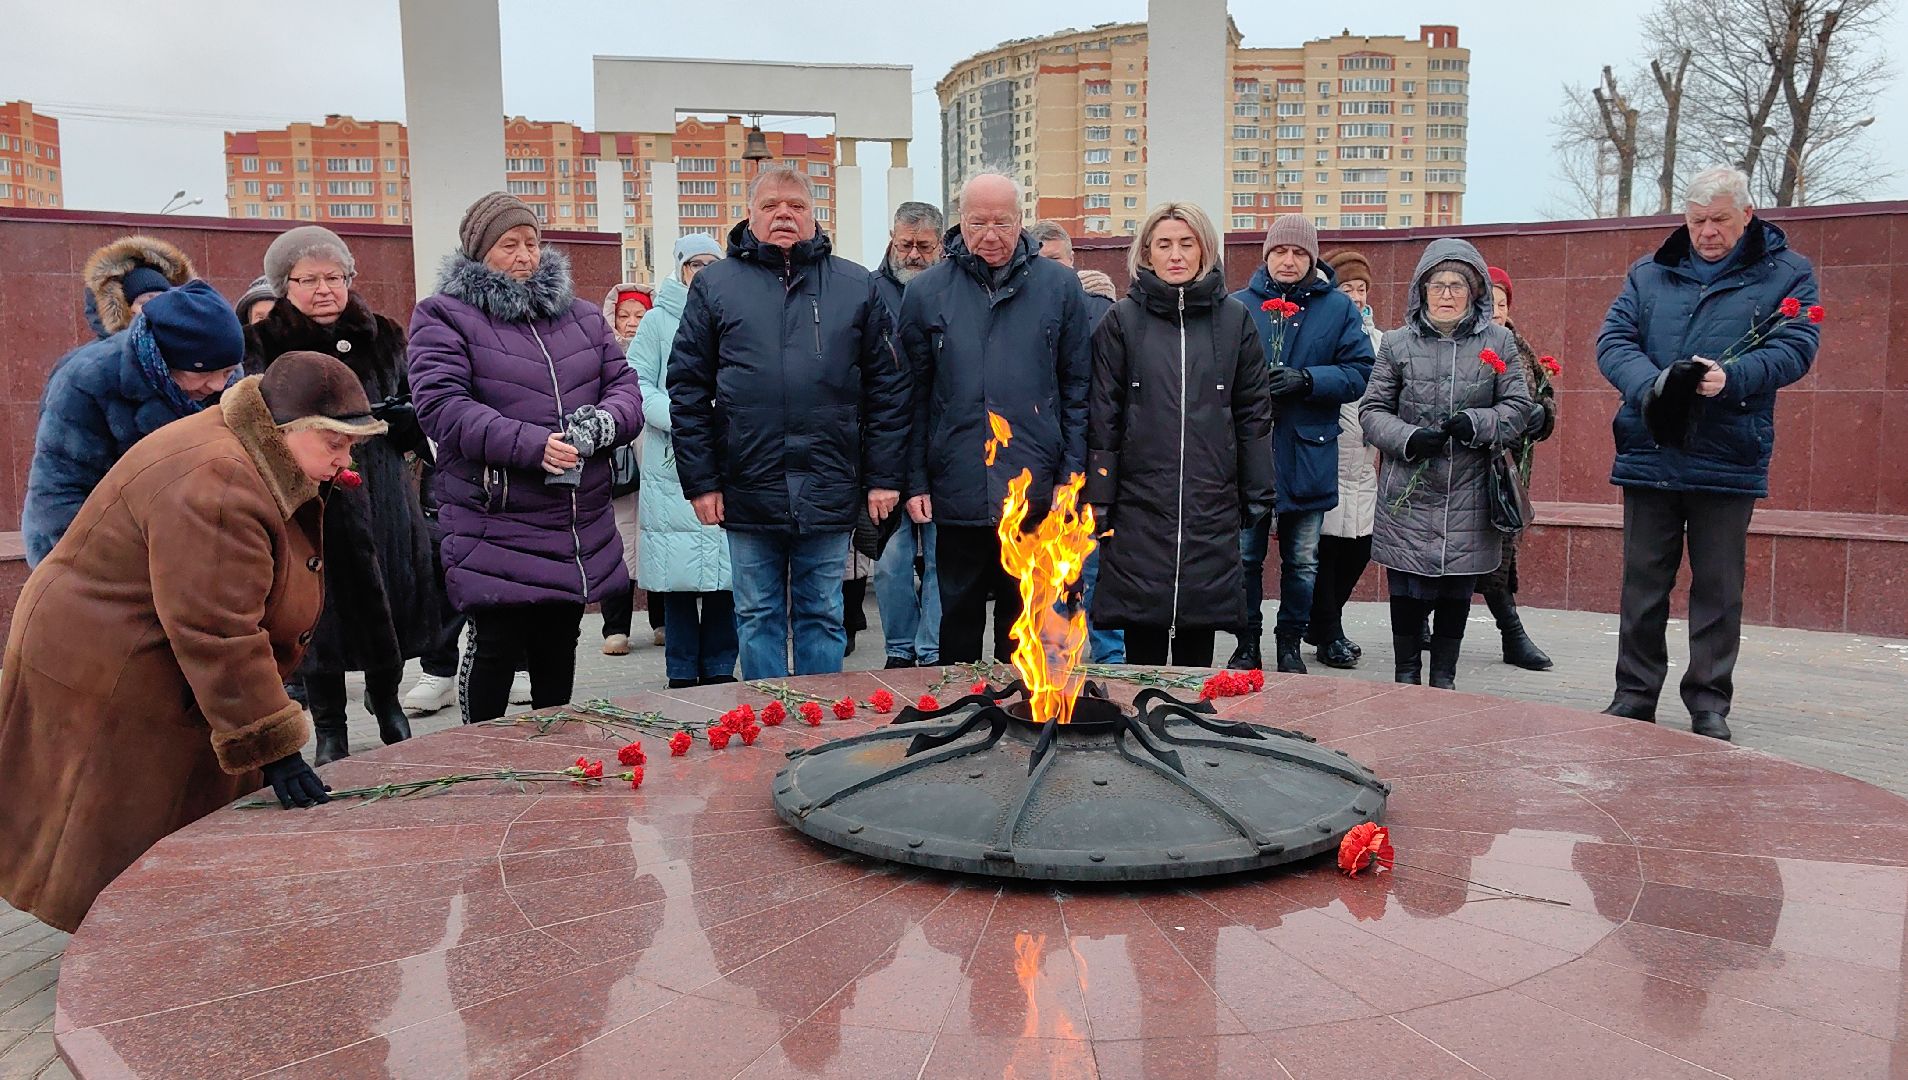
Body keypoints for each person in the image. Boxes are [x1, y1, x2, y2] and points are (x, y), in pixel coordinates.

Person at [0, 351, 387, 932]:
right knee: (115, 818)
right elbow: (219, 631)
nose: (344, 459)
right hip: (109, 658)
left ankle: (161, 932)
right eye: (335, 443)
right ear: (287, 429)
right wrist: (273, 746)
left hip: (139, 636)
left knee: (166, 805)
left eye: (352, 445)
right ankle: (124, 947)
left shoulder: (253, 444)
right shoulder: (222, 483)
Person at [1596, 166, 1818, 741]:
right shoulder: (1649, 272)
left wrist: (1733, 376)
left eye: (1719, 219)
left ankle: (1709, 702)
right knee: (1643, 583)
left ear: (1747, 214)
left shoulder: (1788, 273)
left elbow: (1797, 346)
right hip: (1651, 447)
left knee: (1719, 587)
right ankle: (1634, 695)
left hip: (1729, 451)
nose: (1708, 232)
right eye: (1697, 221)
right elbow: (1613, 342)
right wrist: (1653, 386)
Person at [408, 191, 644, 723]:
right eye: (509, 244)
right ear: (479, 251)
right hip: (495, 513)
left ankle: (553, 746)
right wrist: (531, 445)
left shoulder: (582, 318)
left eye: (531, 243)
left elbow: (626, 387)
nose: (524, 255)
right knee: (496, 642)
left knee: (559, 640)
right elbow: (442, 407)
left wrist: (604, 423)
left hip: (573, 516)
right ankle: (481, 751)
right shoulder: (444, 316)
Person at [669, 165, 910, 679]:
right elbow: (687, 389)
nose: (784, 215)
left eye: (796, 206)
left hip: (829, 480)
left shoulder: (856, 285)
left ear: (814, 215)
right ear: (750, 214)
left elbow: (888, 390)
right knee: (757, 614)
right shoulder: (714, 285)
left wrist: (884, 477)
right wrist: (702, 481)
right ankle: (767, 716)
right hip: (746, 483)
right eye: (771, 206)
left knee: (822, 612)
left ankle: (820, 716)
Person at [247, 225, 443, 762]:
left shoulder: (384, 335)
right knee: (318, 616)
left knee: (389, 604)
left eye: (334, 277)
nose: (324, 289)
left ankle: (388, 704)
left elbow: (418, 409)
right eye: (308, 280)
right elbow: (257, 424)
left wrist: (406, 419)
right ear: (284, 286)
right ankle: (330, 726)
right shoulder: (264, 343)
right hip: (310, 503)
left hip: (383, 497)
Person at [898, 174, 1092, 664]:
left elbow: (1076, 388)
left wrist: (1070, 473)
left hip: (1033, 485)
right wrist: (916, 480)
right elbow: (913, 397)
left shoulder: (1060, 287)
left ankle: (1022, 708)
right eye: (977, 223)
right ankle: (960, 705)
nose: (989, 235)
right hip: (956, 483)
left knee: (1023, 624)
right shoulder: (926, 292)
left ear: (1021, 221)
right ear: (960, 222)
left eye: (1001, 223)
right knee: (957, 621)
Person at [1084, 203, 1274, 665]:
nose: (1176, 255)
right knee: (1142, 621)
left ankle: (1190, 707)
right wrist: (1101, 495)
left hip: (1211, 495)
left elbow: (1253, 411)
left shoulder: (1235, 320)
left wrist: (1258, 490)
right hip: (1139, 498)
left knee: (1199, 620)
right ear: (1146, 252)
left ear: (1205, 249)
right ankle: (1141, 706)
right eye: (1164, 244)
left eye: (1187, 244)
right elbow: (1104, 414)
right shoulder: (1122, 321)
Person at [1360, 238, 1532, 690]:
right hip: (1409, 490)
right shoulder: (1397, 343)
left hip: (1469, 489)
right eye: (1437, 285)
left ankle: (1444, 679)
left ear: (1475, 292)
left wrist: (1477, 423)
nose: (1447, 294)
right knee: (1405, 587)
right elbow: (1372, 411)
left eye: (1458, 285)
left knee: (1458, 586)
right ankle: (1405, 675)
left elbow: (1518, 407)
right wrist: (1410, 438)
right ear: (1421, 290)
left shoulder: (1499, 341)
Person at [1231, 215, 1374, 674]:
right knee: (1245, 558)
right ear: (1266, 255)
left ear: (1312, 258)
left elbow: (1360, 372)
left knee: (1303, 561)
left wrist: (1308, 379)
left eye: (1298, 253)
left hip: (1309, 452)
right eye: (1280, 251)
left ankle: (1290, 644)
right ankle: (1246, 644)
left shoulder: (1338, 308)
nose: (1288, 261)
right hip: (1250, 455)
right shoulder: (1239, 305)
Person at [23, 280, 245, 566]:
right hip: (87, 552)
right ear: (166, 361)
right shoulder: (89, 382)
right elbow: (59, 494)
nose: (217, 385)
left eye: (227, 371)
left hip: (183, 544)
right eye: (204, 374)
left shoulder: (228, 380)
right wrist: (116, 572)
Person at [630, 234, 738, 688]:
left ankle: (720, 666)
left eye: (713, 263)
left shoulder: (732, 310)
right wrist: (681, 415)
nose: (704, 272)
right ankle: (679, 670)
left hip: (726, 454)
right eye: (696, 264)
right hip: (673, 459)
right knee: (676, 578)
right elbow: (636, 382)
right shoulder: (657, 321)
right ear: (680, 268)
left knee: (725, 576)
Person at [1031, 218, 1124, 665]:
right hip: (1047, 460)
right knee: (1053, 566)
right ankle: (1054, 660)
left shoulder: (1100, 310)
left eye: (1057, 260)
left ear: (1072, 260)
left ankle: (1110, 658)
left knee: (1097, 565)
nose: (1051, 269)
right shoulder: (1027, 308)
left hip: (1095, 455)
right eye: (1041, 261)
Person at [870, 201, 945, 669]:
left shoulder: (951, 289)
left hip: (940, 445)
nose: (914, 254)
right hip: (886, 447)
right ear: (892, 239)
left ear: (940, 245)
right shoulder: (869, 290)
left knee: (940, 562)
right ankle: (899, 649)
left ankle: (931, 649)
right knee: (890, 564)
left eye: (924, 246)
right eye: (905, 244)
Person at [1480, 265, 1559, 672]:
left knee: (1500, 551)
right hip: (1469, 462)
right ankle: (1424, 624)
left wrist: (1543, 414)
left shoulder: (1519, 347)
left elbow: (1545, 394)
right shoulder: (1467, 344)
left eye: (1502, 303)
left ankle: (1512, 637)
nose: (1496, 311)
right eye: (1489, 302)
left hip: (1506, 470)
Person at [1308, 249, 1383, 669]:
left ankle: (1320, 624)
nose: (1355, 295)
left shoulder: (1382, 341)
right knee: (1325, 551)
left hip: (1364, 461)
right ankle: (1329, 632)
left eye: (1361, 288)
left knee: (1359, 548)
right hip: (1327, 456)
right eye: (1347, 287)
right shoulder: (1324, 331)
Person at [597, 281, 662, 656]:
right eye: (624, 315)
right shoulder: (601, 354)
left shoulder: (663, 348)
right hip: (618, 464)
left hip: (655, 458)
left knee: (657, 539)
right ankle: (616, 628)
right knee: (618, 544)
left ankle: (662, 622)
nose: (632, 322)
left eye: (640, 315)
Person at [80, 234, 195, 340]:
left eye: (162, 300)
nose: (156, 307)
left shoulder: (193, 344)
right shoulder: (102, 354)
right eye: (144, 303)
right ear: (128, 311)